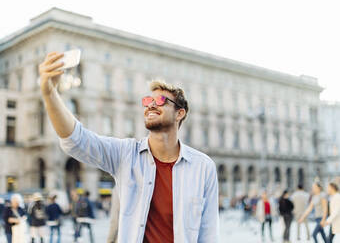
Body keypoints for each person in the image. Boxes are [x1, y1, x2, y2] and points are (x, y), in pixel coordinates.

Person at [39, 54, 219, 242]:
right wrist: (49, 94)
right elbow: (76, 140)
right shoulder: (125, 154)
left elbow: (208, 233)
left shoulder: (203, 167)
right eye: (148, 101)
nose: (150, 106)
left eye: (160, 101)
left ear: (179, 113)